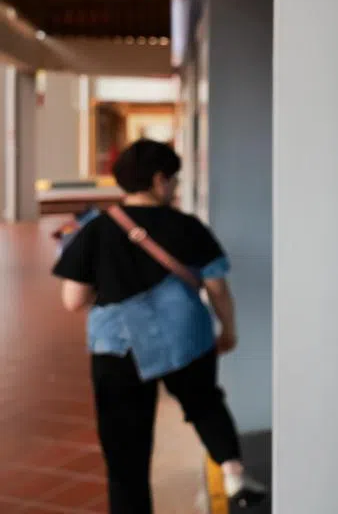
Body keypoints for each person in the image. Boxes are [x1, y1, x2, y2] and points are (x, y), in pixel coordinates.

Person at [51, 139, 266, 513]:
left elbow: (73, 300)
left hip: (118, 346)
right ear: (158, 180)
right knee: (204, 403)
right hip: (186, 338)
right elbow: (217, 288)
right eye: (174, 180)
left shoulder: (96, 229)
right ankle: (232, 471)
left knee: (125, 454)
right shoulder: (188, 226)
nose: (175, 188)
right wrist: (228, 329)